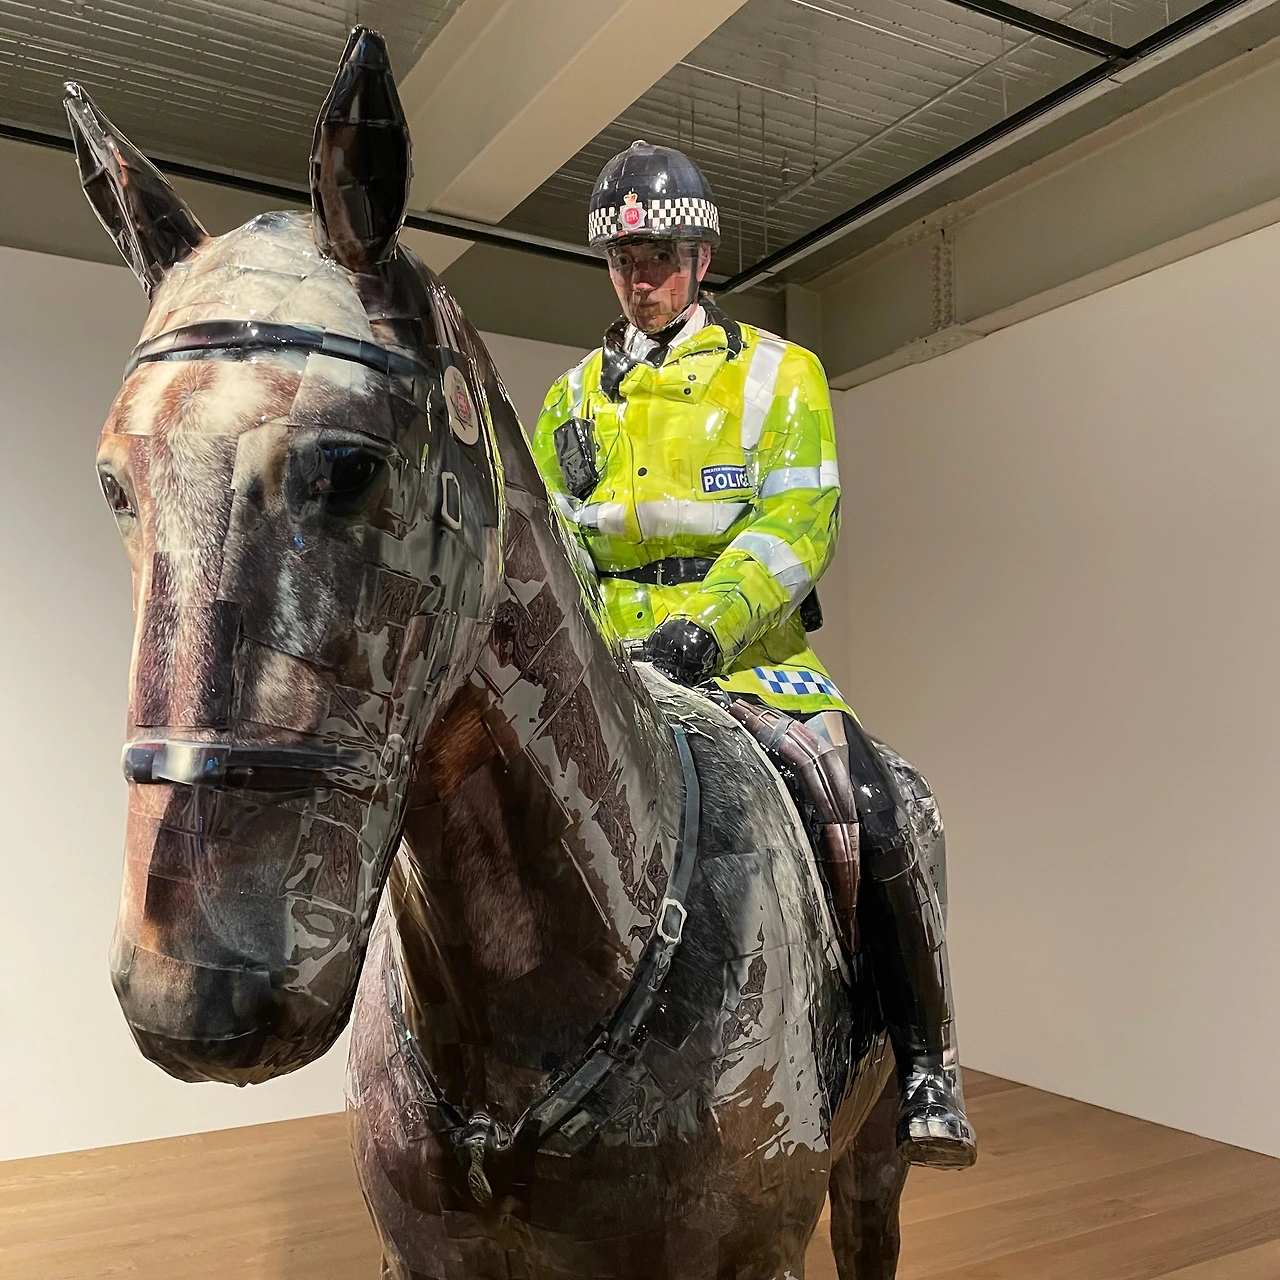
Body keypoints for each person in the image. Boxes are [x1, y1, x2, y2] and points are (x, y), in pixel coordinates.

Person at [531, 140, 976, 1170]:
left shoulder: (780, 373)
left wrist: (710, 623)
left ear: (701, 257)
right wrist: (600, 639)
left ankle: (923, 1062)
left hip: (749, 661)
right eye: (623, 259)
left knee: (875, 803)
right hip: (613, 668)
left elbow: (798, 519)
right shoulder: (569, 399)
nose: (640, 277)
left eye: (659, 256)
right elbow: (557, 542)